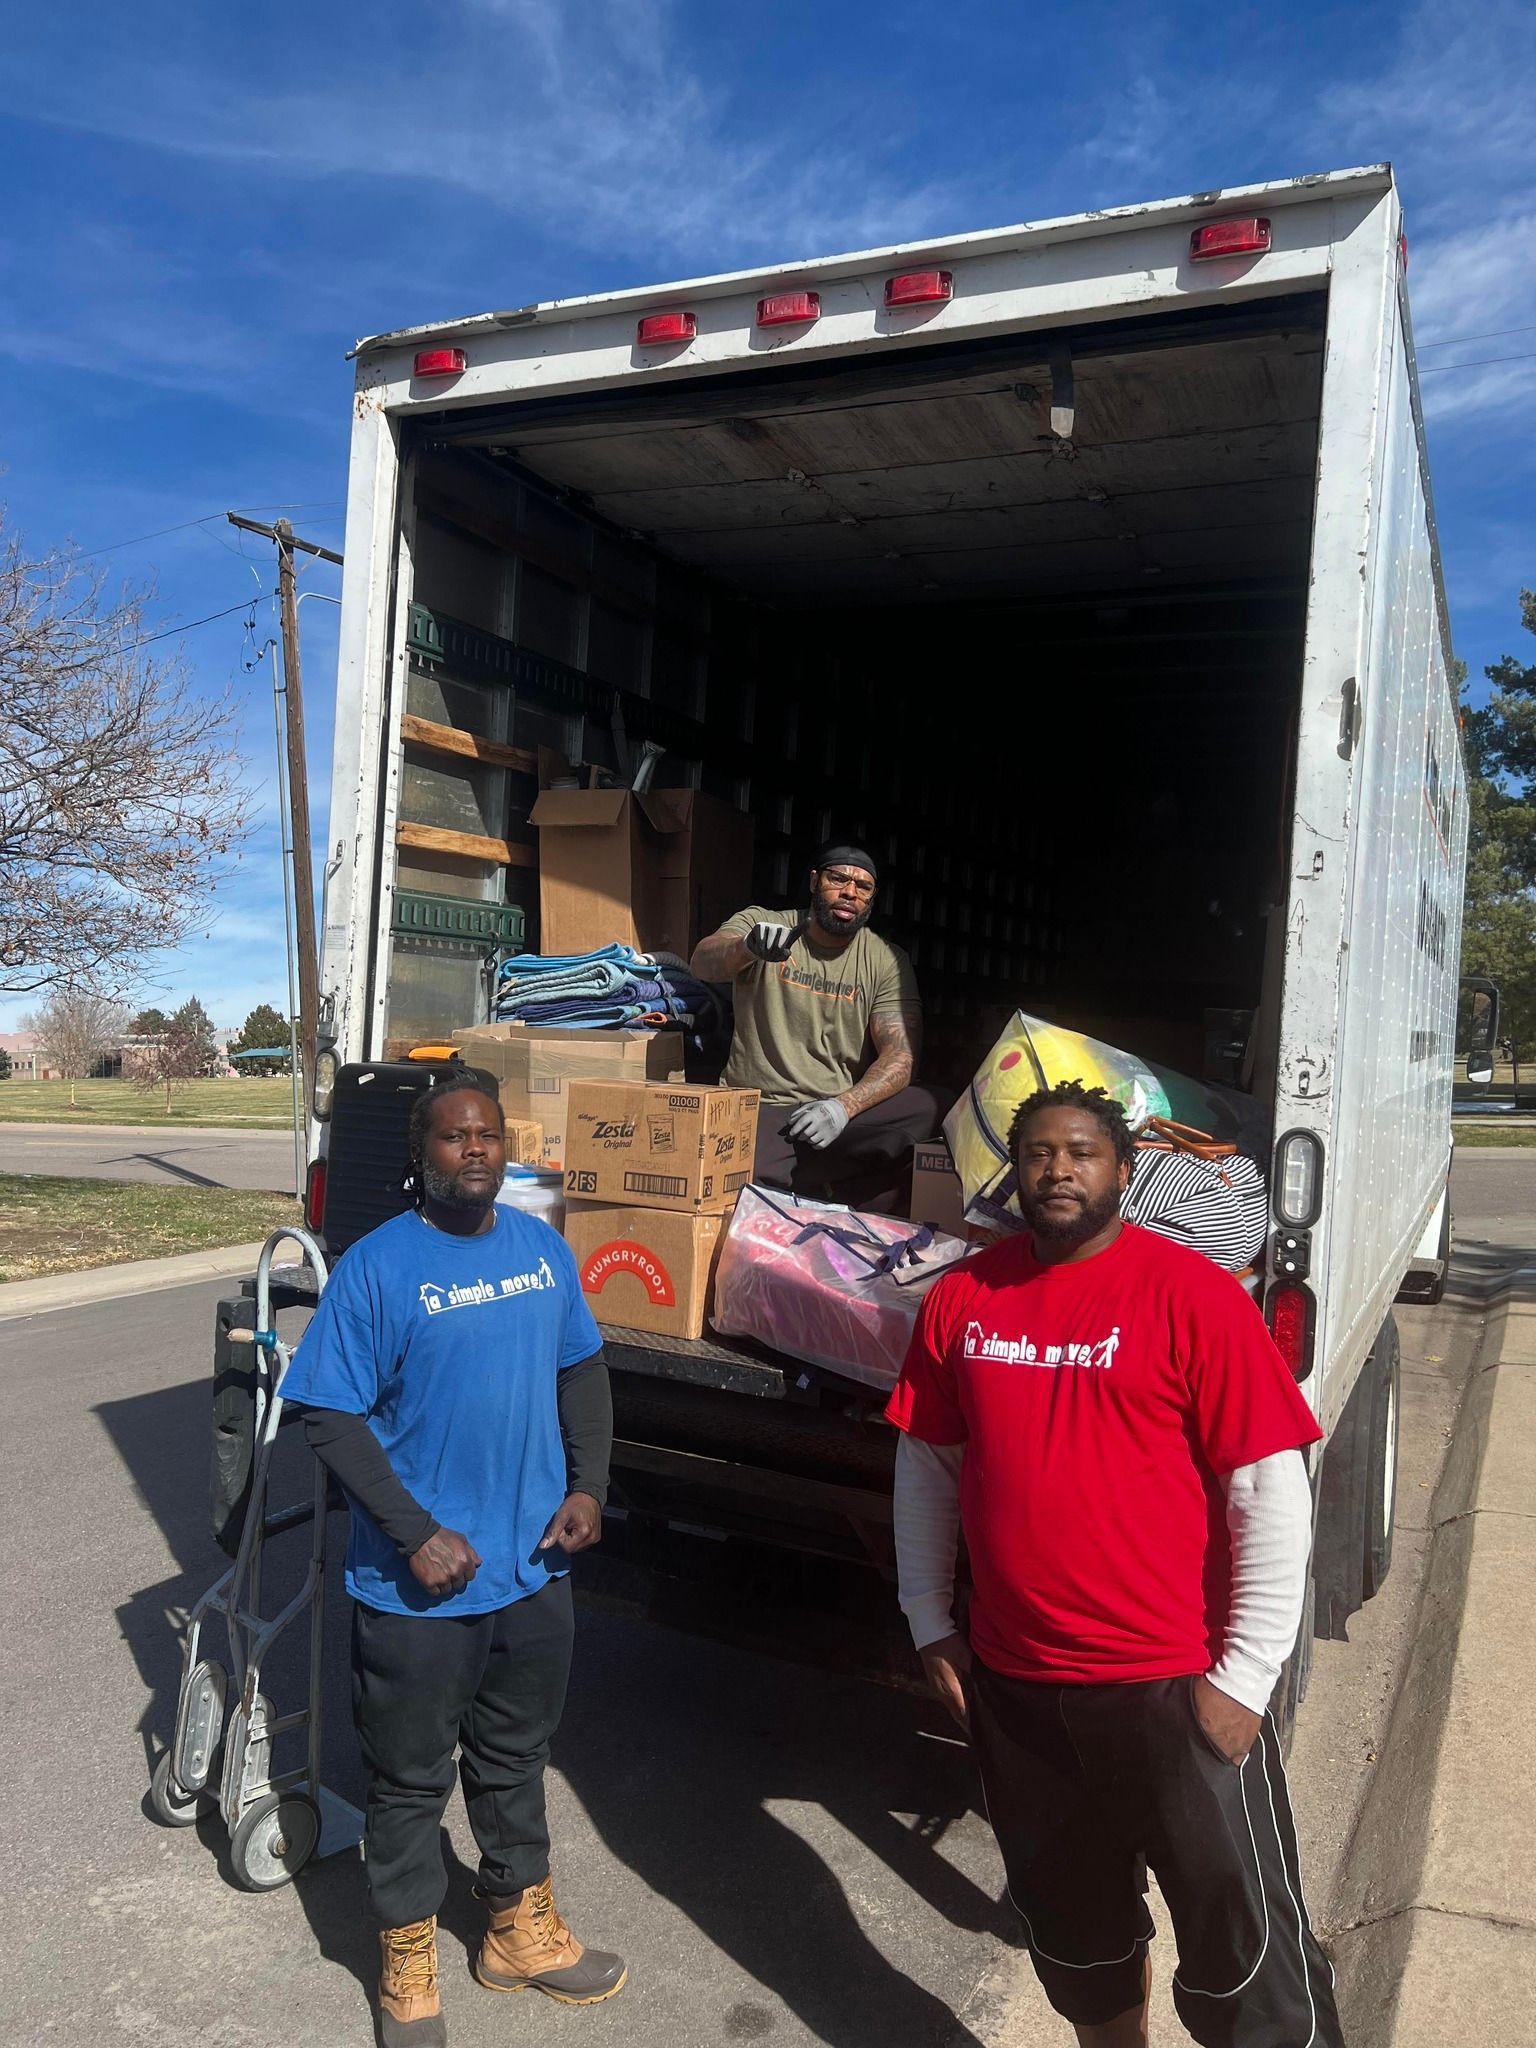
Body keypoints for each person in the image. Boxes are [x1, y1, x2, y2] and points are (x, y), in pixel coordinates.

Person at [886, 1079, 1343, 2048]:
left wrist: (1246, 1679)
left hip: (1175, 1691)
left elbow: (1268, 1490)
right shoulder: (965, 1295)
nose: (1059, 1169)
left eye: (1082, 1152)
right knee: (1079, 1940)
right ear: (1015, 1173)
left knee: (1251, 1965)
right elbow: (927, 1465)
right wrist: (931, 1623)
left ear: (1125, 1172)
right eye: (1039, 1153)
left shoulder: (1195, 1296)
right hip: (1020, 1692)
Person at [281, 1081, 627, 2047]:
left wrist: (590, 1488)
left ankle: (517, 1931)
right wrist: (413, 1532)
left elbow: (581, 1371)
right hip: (417, 1590)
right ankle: (406, 1959)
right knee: (408, 1782)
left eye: (488, 1135)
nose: (474, 1148)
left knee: (517, 1758)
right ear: (421, 1151)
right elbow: (328, 1414)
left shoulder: (541, 1252)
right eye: (453, 1136)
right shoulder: (378, 1267)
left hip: (533, 1568)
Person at [690, 839, 947, 1212]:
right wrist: (746, 948)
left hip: (838, 1116)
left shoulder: (886, 960)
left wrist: (842, 1108)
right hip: (765, 1108)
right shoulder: (764, 923)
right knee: (728, 1172)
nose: (849, 893)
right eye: (838, 879)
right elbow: (702, 963)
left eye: (863, 887)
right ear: (814, 881)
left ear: (872, 899)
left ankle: (801, 1178)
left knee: (933, 1105)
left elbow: (901, 1054)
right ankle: (824, 1184)